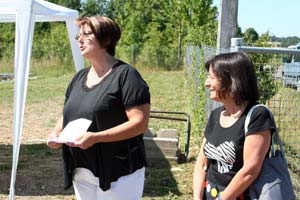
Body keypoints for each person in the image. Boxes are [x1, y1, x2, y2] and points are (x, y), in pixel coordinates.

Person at [47, 16, 150, 200]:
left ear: (107, 39)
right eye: (79, 35)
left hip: (118, 170)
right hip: (83, 167)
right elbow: (67, 114)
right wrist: (56, 134)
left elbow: (139, 124)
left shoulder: (127, 76)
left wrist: (96, 138)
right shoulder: (79, 77)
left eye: (87, 34)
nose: (80, 39)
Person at [193, 52, 275, 200]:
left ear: (231, 80)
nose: (206, 83)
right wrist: (197, 197)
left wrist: (222, 198)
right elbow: (201, 162)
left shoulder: (257, 116)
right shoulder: (215, 115)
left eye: (212, 77)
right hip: (210, 193)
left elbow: (250, 170)